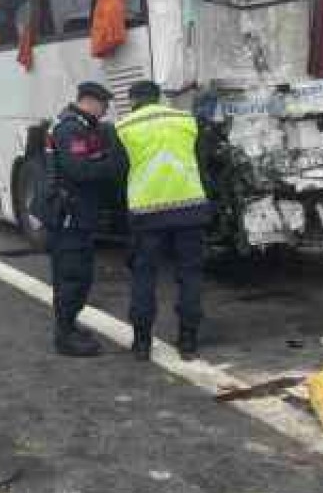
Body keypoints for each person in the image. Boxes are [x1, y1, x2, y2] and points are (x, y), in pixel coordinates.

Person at [116, 80, 211, 361]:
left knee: (144, 275)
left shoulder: (124, 127)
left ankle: (142, 342)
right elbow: (202, 161)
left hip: (147, 213)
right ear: (158, 98)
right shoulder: (186, 121)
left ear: (133, 100)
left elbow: (118, 171)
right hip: (190, 207)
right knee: (190, 274)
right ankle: (188, 340)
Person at [44, 81, 124, 357]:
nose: (104, 112)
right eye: (103, 106)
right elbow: (79, 170)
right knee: (72, 276)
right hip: (69, 216)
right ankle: (65, 336)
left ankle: (70, 325)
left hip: (79, 214)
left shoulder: (82, 127)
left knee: (81, 274)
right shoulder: (70, 129)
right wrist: (112, 163)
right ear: (89, 101)